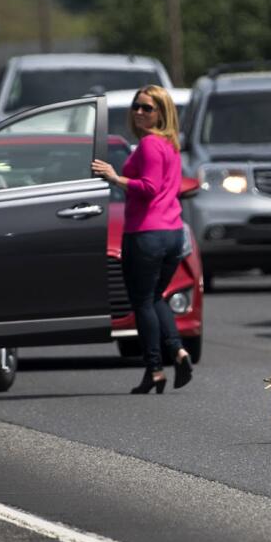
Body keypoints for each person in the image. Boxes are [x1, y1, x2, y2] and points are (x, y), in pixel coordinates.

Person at [91, 85, 193, 394]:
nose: (139, 112)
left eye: (147, 108)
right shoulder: (170, 146)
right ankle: (176, 351)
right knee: (155, 297)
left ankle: (155, 368)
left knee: (142, 302)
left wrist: (114, 177)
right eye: (136, 106)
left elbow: (148, 188)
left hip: (147, 234)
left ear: (161, 113)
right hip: (172, 233)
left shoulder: (149, 144)